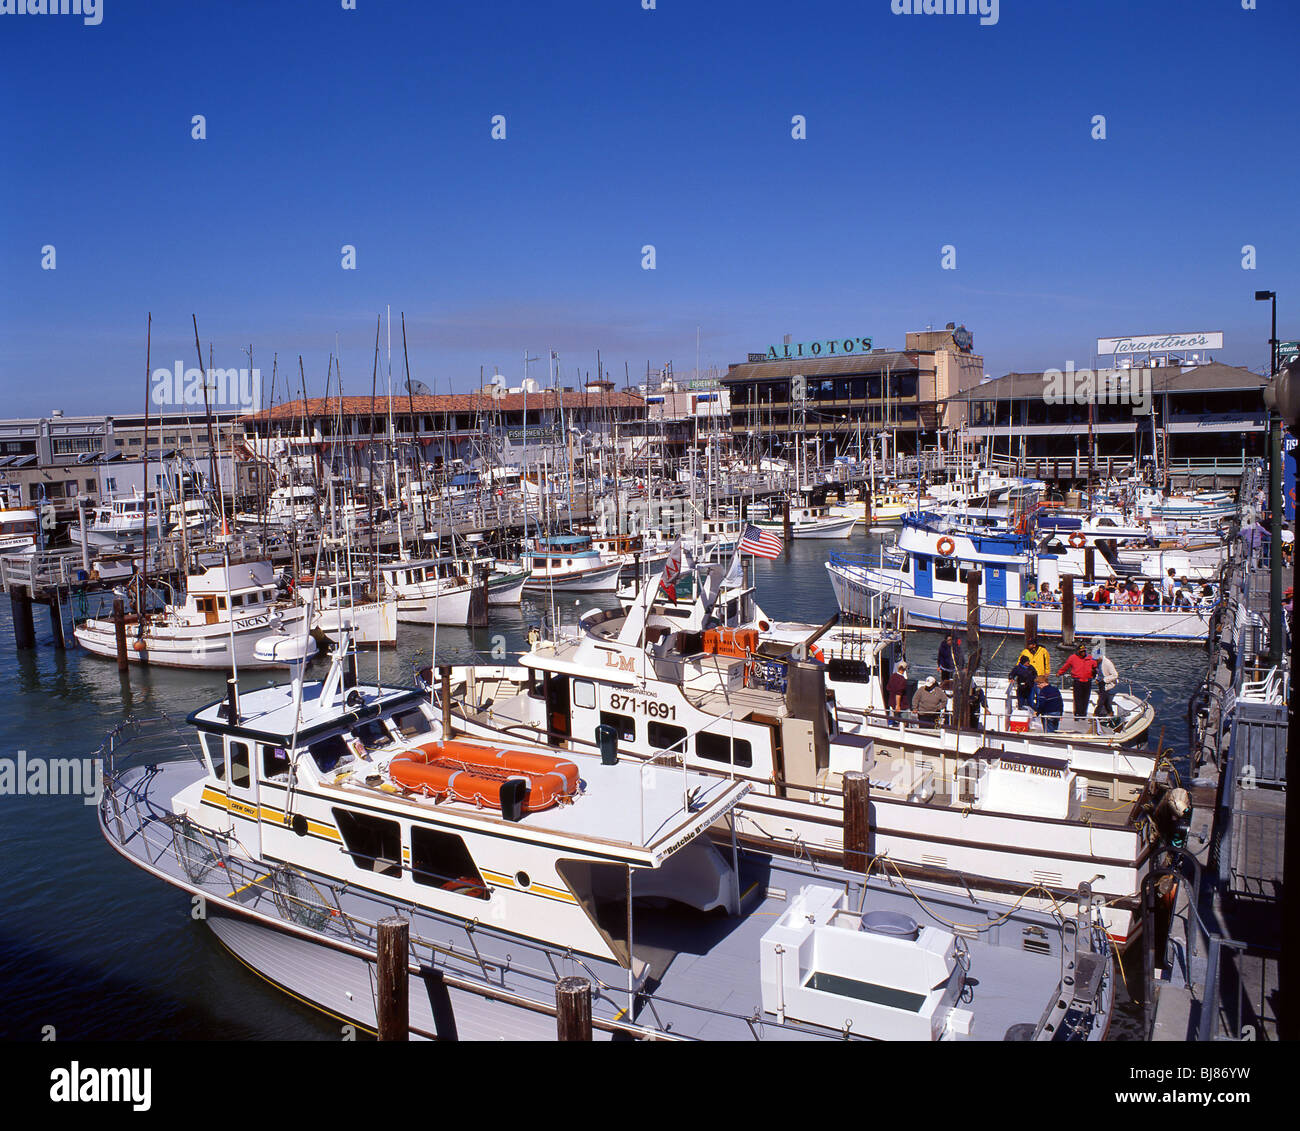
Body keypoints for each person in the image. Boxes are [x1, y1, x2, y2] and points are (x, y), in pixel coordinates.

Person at [1057, 642, 1098, 718]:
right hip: (1077, 680)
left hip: (1087, 681)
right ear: (1078, 652)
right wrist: (1060, 672)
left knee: (1086, 698)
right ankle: (1077, 713)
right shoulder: (1072, 658)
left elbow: (1095, 667)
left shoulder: (1090, 658)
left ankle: (1083, 713)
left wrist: (1096, 673)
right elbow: (1066, 666)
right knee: (1077, 698)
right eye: (1081, 651)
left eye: (1084, 651)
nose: (1083, 653)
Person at [1094, 648, 1119, 720]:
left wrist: (1105, 680)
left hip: (1106, 684)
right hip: (1100, 683)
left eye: (1097, 658)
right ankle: (1110, 712)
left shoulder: (1108, 663)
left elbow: (1115, 675)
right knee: (1105, 699)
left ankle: (1096, 714)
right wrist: (1097, 679)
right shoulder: (1097, 662)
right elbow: (1098, 672)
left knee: (1101, 700)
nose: (1096, 660)